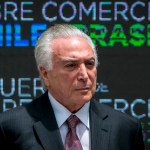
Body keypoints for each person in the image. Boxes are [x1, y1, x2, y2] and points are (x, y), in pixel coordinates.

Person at [0, 24, 145, 150]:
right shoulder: (9, 127)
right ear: (45, 74)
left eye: (89, 63)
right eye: (71, 65)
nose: (84, 75)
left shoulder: (126, 128)